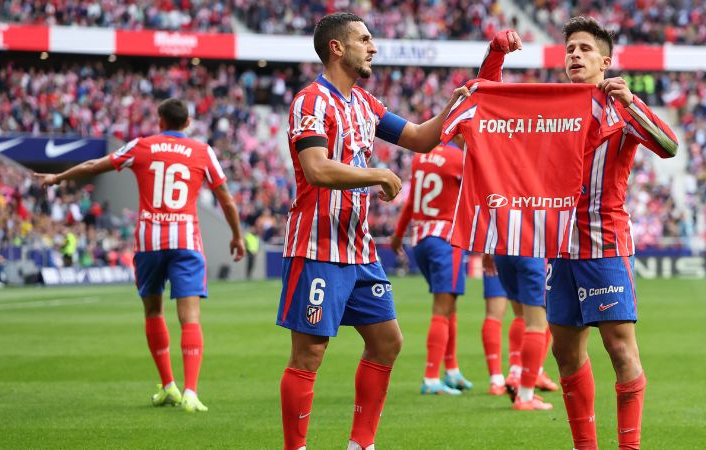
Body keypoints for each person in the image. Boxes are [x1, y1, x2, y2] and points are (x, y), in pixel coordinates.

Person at [479, 17, 679, 449]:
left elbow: (669, 145)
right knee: (566, 354)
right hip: (559, 250)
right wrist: (495, 54)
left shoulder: (620, 110)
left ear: (605, 61)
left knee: (620, 351)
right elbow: (487, 103)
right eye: (570, 48)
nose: (575, 55)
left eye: (585, 49)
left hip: (605, 246)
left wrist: (633, 103)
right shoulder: (551, 107)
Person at [278, 12, 469, 450]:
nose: (374, 46)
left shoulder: (365, 103)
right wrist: (376, 173)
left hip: (360, 250)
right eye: (365, 39)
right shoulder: (311, 101)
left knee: (387, 342)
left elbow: (421, 137)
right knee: (309, 355)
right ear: (337, 48)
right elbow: (316, 168)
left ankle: (361, 445)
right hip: (317, 246)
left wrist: (454, 106)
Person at [35, 98, 245, 413]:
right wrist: (237, 236)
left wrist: (57, 177)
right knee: (190, 317)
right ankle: (190, 391)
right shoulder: (203, 152)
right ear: (187, 123)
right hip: (186, 238)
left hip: (149, 240)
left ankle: (168, 385)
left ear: (160, 121)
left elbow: (94, 166)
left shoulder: (142, 146)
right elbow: (226, 199)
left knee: (153, 311)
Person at [390, 141, 473, 396]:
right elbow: (472, 199)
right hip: (447, 239)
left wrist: (397, 235)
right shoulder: (459, 159)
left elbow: (413, 200)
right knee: (442, 307)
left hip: (421, 239)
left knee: (449, 306)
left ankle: (452, 370)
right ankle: (431, 376)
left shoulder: (421, 157)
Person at [480, 255, 558, 406]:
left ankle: (516, 373)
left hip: (504, 252)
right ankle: (525, 397)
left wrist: (488, 250)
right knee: (538, 322)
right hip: (533, 252)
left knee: (521, 315)